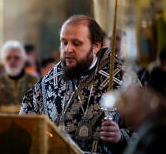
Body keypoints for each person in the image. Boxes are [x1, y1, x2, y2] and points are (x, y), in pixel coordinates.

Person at [20, 15, 131, 153]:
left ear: (95, 46)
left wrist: (120, 137)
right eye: (64, 42)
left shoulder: (122, 80)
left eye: (76, 43)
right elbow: (24, 125)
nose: (68, 49)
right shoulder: (48, 82)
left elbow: (147, 132)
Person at [0, 40, 38, 113]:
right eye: (8, 58)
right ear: (3, 61)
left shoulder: (35, 82)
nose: (12, 61)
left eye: (17, 58)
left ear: (23, 60)